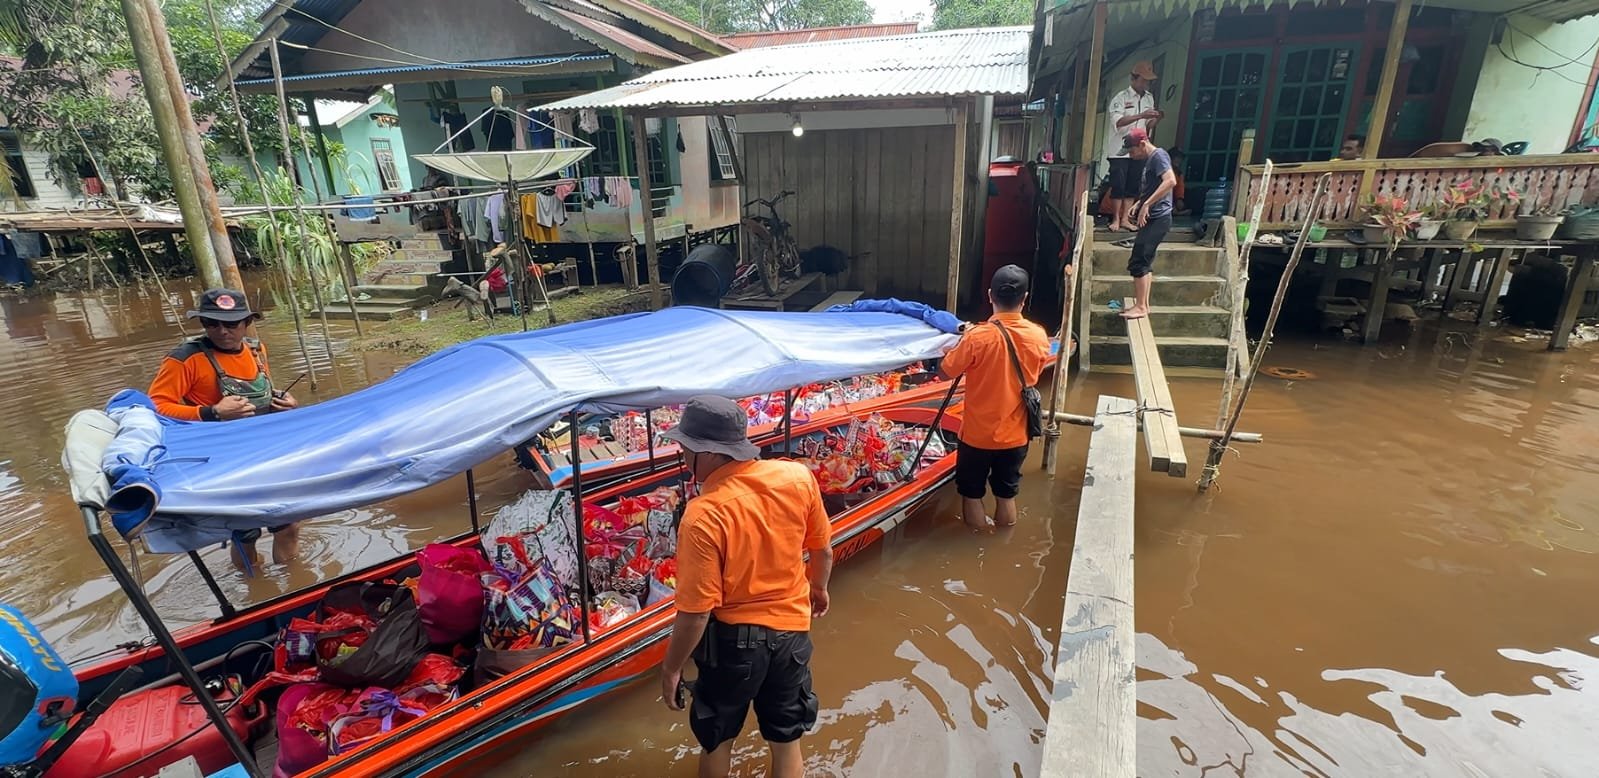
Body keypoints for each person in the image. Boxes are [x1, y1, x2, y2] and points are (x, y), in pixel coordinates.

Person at [657, 395, 833, 778]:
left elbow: (696, 612)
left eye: (685, 449)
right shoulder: (797, 477)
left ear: (710, 453)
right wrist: (817, 588)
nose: (683, 457)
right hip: (792, 636)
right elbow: (823, 549)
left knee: (717, 739)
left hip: (733, 645)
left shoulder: (703, 515)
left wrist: (671, 669)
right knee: (786, 741)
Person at [147, 288, 301, 573]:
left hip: (267, 452)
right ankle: (254, 589)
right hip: (223, 461)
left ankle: (293, 584)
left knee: (288, 525)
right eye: (211, 323)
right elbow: (154, 408)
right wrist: (211, 412)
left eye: (231, 324)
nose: (222, 330)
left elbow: (263, 389)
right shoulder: (184, 359)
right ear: (203, 323)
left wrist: (284, 402)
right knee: (245, 535)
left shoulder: (257, 350)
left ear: (246, 323)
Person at [939, 265, 1052, 532]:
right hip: (1016, 435)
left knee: (971, 493)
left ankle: (977, 543)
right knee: (1006, 494)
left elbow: (946, 372)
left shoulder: (977, 337)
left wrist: (953, 349)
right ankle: (1003, 543)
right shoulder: (1038, 336)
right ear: (1025, 299)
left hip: (977, 435)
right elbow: (1036, 369)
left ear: (990, 295)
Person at [1123, 128, 1177, 321]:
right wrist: (1139, 203)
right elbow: (1154, 187)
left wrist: (1147, 204)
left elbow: (1170, 181)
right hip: (1153, 216)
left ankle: (1141, 307)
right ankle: (1143, 304)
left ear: (1142, 144)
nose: (1132, 156)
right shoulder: (1150, 160)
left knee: (1139, 259)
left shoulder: (1159, 156)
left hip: (1158, 217)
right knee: (1145, 259)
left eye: (1132, 151)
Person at [1105, 61, 1162, 232]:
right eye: (1143, 80)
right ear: (1133, 79)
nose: (1146, 84)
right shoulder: (1121, 98)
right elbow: (1119, 122)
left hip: (1140, 150)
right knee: (1118, 185)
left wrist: (1155, 118)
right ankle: (1115, 218)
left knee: (1133, 185)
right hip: (1120, 150)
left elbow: (1148, 125)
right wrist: (1141, 115)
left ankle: (1125, 219)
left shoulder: (1149, 98)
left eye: (1148, 81)